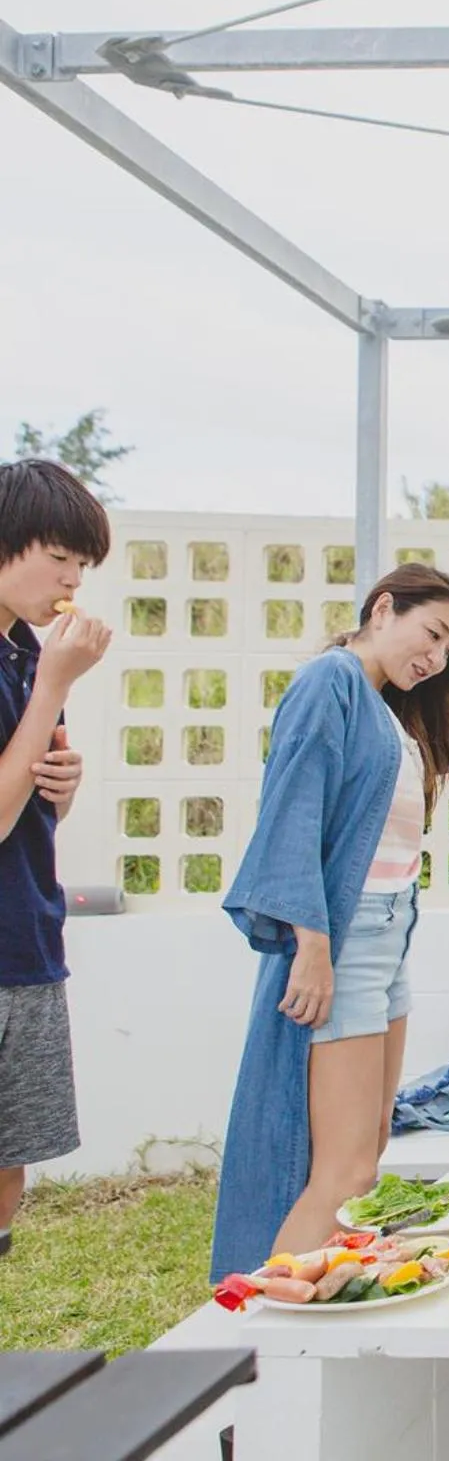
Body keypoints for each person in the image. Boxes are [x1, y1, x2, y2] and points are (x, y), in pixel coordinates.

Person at [209, 564, 449, 1281]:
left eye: (448, 650)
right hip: (346, 933)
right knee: (343, 1169)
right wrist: (312, 943)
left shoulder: (389, 708)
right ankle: (259, 1327)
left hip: (390, 935)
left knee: (368, 1151)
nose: (434, 658)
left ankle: (306, 1313)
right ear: (382, 607)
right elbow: (294, 805)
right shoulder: (330, 682)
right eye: (430, 633)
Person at [0, 460, 112, 1262]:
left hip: (28, 939)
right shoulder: (42, 664)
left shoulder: (26, 653)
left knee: (11, 1161)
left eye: (83, 564)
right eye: (61, 557)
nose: (73, 580)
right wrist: (54, 683)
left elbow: (31, 810)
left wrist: (62, 790)